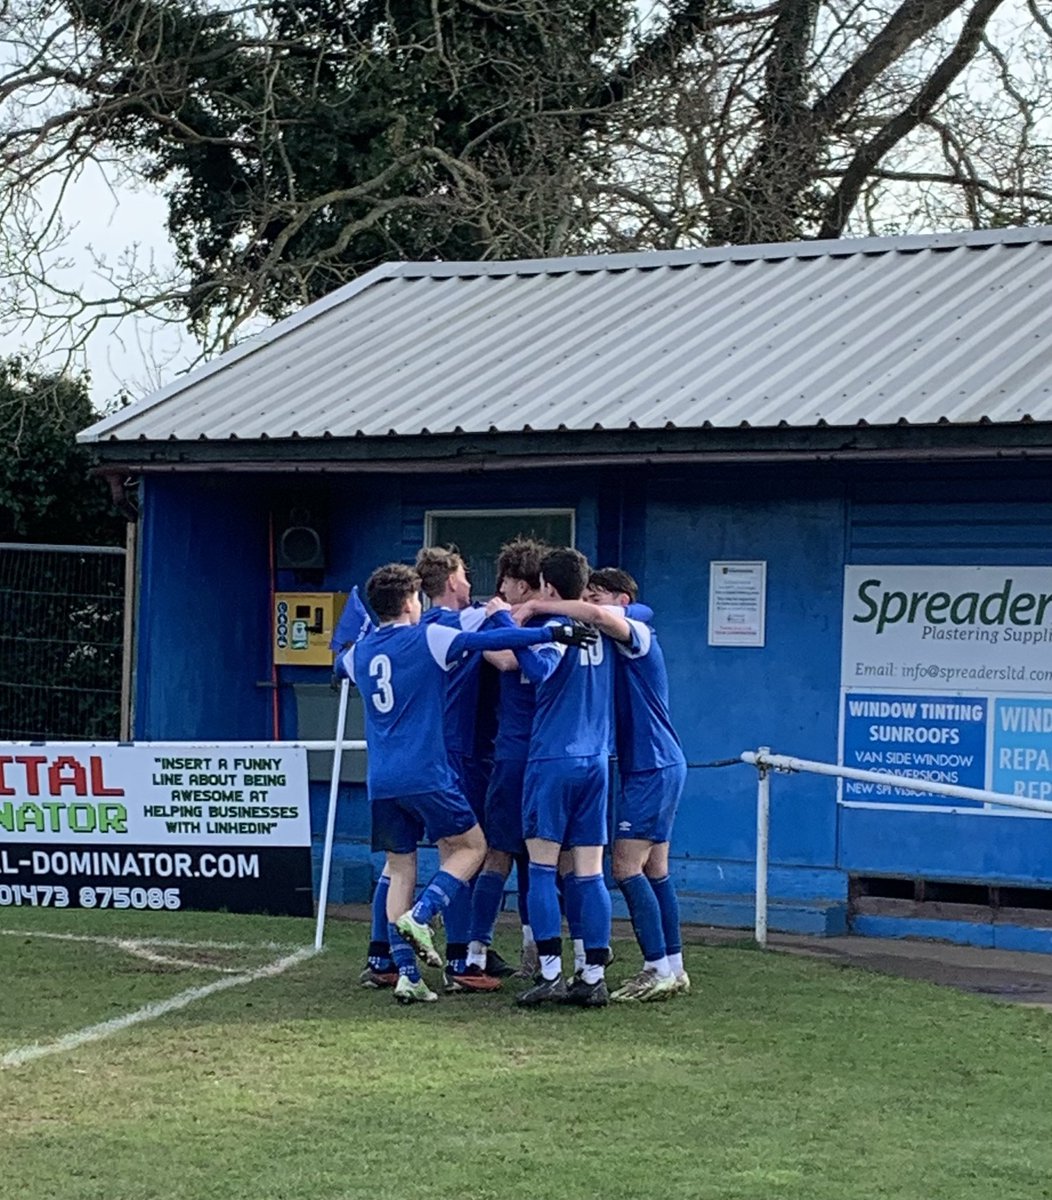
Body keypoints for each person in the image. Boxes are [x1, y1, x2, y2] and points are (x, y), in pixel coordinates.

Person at [337, 562, 595, 1004]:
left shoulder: (358, 654)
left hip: (380, 779)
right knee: (473, 847)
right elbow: (490, 640)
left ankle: (407, 976)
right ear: (408, 602)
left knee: (400, 869)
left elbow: (337, 659)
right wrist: (551, 634)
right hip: (426, 773)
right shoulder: (427, 636)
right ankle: (425, 914)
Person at [519, 567, 688, 1001]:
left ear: (621, 601)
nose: (591, 606)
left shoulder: (634, 630)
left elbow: (601, 620)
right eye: (588, 596)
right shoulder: (615, 632)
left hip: (649, 765)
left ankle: (654, 967)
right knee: (656, 870)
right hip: (649, 763)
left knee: (625, 867)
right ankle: (673, 964)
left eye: (599, 597)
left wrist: (533, 608)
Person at [513, 547, 618, 1008]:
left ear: (548, 588)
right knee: (590, 872)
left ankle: (551, 972)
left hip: (552, 758)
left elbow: (538, 671)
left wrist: (510, 627)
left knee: (540, 868)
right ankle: (593, 976)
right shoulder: (607, 628)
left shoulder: (551, 631)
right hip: (596, 759)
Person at [464, 537, 550, 980]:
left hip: (516, 754)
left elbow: (503, 660)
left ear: (520, 583)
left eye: (505, 581)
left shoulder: (519, 623)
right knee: (539, 856)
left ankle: (478, 948)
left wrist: (493, 621)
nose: (499, 588)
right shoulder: (559, 622)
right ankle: (537, 950)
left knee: (499, 853)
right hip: (546, 756)